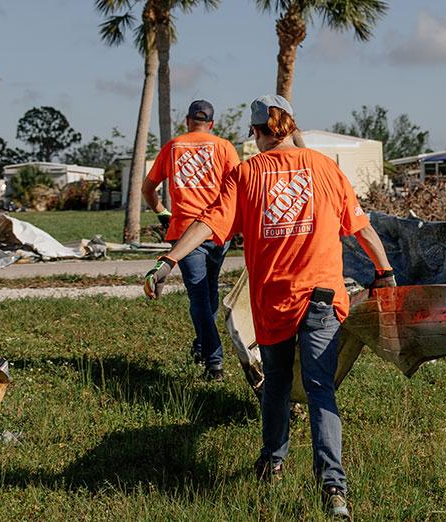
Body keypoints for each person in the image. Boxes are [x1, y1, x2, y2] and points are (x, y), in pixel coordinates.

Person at [143, 95, 395, 519]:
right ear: (290, 126)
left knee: (276, 382)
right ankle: (334, 487)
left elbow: (207, 224)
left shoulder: (246, 173)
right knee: (320, 389)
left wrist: (168, 260)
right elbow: (360, 226)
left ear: (257, 132)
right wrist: (385, 272)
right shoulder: (325, 168)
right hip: (322, 297)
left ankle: (273, 461)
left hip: (274, 302)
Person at [141, 99, 240, 381]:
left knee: (202, 294)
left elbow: (148, 188)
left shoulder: (173, 147)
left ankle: (210, 356)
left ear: (187, 121)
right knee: (208, 291)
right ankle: (210, 353)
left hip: (185, 232)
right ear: (211, 124)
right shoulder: (224, 147)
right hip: (219, 230)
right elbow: (238, 188)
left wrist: (162, 212)